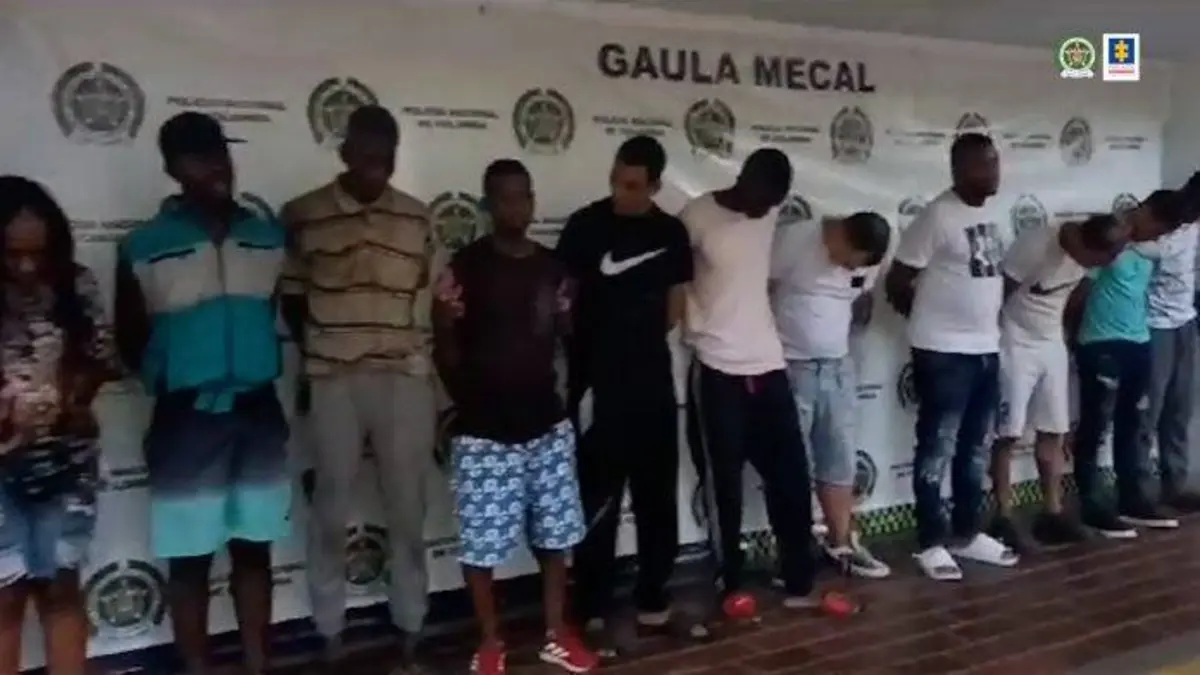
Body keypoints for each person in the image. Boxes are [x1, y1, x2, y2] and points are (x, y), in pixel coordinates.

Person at [114, 112, 290, 675]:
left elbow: (269, 312)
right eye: (197, 157)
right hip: (187, 417)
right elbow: (130, 336)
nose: (216, 166)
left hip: (257, 409)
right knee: (189, 559)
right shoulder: (145, 245)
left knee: (254, 550)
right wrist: (177, 371)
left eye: (219, 152)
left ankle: (258, 665)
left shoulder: (266, 237)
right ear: (172, 168)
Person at [279, 105, 439, 672]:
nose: (376, 169)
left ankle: (412, 629)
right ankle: (329, 632)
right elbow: (292, 299)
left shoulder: (417, 218)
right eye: (366, 157)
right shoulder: (304, 214)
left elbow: (426, 298)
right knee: (328, 509)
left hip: (402, 378)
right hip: (335, 380)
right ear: (344, 152)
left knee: (408, 511)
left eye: (386, 159)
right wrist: (321, 355)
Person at [432, 159, 598, 675]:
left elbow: (567, 340)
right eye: (504, 197)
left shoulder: (553, 268)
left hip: (546, 425)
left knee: (555, 538)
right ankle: (489, 642)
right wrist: (467, 402)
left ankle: (555, 633)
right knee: (481, 547)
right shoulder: (466, 267)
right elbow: (445, 345)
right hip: (483, 431)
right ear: (487, 205)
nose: (516, 207)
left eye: (523, 196)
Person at [682, 148, 858, 622]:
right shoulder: (698, 216)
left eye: (775, 202)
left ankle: (799, 579)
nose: (766, 209)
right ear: (744, 178)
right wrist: (690, 326)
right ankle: (731, 583)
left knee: (791, 476)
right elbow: (673, 280)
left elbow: (837, 230)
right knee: (724, 486)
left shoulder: (771, 213)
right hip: (716, 366)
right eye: (762, 198)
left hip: (768, 362)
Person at [555, 136, 692, 647]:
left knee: (657, 496)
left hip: (652, 381)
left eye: (633, 185)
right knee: (597, 497)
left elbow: (675, 306)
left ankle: (653, 597)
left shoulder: (671, 233)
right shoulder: (585, 226)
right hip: (595, 384)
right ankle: (590, 604)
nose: (621, 192)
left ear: (654, 186)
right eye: (616, 180)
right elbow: (563, 301)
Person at [884, 132, 1015, 581]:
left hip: (986, 347)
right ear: (958, 170)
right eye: (983, 164)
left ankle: (967, 533)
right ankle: (931, 541)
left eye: (995, 162)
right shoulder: (937, 216)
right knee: (937, 447)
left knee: (975, 448)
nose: (993, 172)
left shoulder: (995, 210)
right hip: (943, 353)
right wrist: (930, 325)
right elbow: (898, 281)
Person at [0, 177, 118, 675]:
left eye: (39, 253)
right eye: (12, 254)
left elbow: (103, 357)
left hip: (67, 461)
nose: (27, 267)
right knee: (4, 598)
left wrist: (75, 392)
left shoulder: (77, 284)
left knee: (61, 589)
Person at [986, 214, 1128, 552]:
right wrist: (991, 343)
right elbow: (997, 295)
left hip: (1051, 342)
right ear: (1084, 245)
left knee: (1054, 429)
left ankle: (1052, 513)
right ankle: (1003, 516)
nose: (1097, 266)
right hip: (1015, 341)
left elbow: (1077, 293)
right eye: (1097, 260)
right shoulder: (1035, 245)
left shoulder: (1090, 254)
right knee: (1008, 432)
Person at [768, 211, 892, 579]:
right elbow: (758, 288)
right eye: (849, 260)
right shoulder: (793, 241)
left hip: (838, 365)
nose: (850, 269)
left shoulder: (870, 257)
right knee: (792, 465)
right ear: (840, 236)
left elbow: (862, 297)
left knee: (839, 458)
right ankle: (792, 553)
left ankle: (842, 543)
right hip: (791, 366)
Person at [1068, 190, 1190, 538]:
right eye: (1159, 227)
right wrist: (1074, 339)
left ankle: (1130, 499)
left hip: (1139, 342)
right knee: (1095, 424)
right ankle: (1090, 503)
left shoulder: (1150, 250)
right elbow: (1079, 292)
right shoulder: (1107, 237)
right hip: (1100, 343)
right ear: (1144, 212)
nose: (1159, 235)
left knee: (1132, 423)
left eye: (1165, 232)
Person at [1140, 172, 1200, 513]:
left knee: (1180, 407)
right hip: (1155, 327)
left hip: (1185, 323)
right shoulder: (1162, 221)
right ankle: (1138, 491)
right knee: (1149, 412)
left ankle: (1174, 485)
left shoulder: (1194, 226)